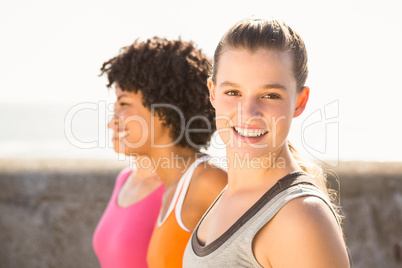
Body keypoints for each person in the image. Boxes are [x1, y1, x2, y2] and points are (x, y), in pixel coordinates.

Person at [183, 17, 351, 267]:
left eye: (270, 95)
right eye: (233, 92)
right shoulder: (228, 196)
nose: (248, 112)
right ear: (212, 92)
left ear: (300, 101)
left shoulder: (301, 217)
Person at [93, 37, 228, 268]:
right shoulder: (125, 179)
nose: (111, 123)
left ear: (162, 109)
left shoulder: (208, 182)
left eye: (124, 105)